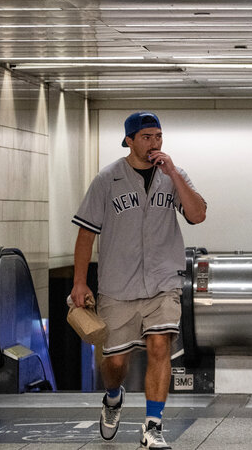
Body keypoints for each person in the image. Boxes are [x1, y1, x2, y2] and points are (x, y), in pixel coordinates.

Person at [69, 111, 207, 449]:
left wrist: (174, 174)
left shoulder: (173, 176)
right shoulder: (107, 179)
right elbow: (86, 234)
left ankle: (152, 426)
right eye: (146, 137)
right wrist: (79, 282)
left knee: (160, 346)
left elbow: (198, 214)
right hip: (118, 287)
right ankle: (113, 397)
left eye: (158, 136)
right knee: (116, 362)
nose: (154, 143)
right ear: (129, 140)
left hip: (163, 282)